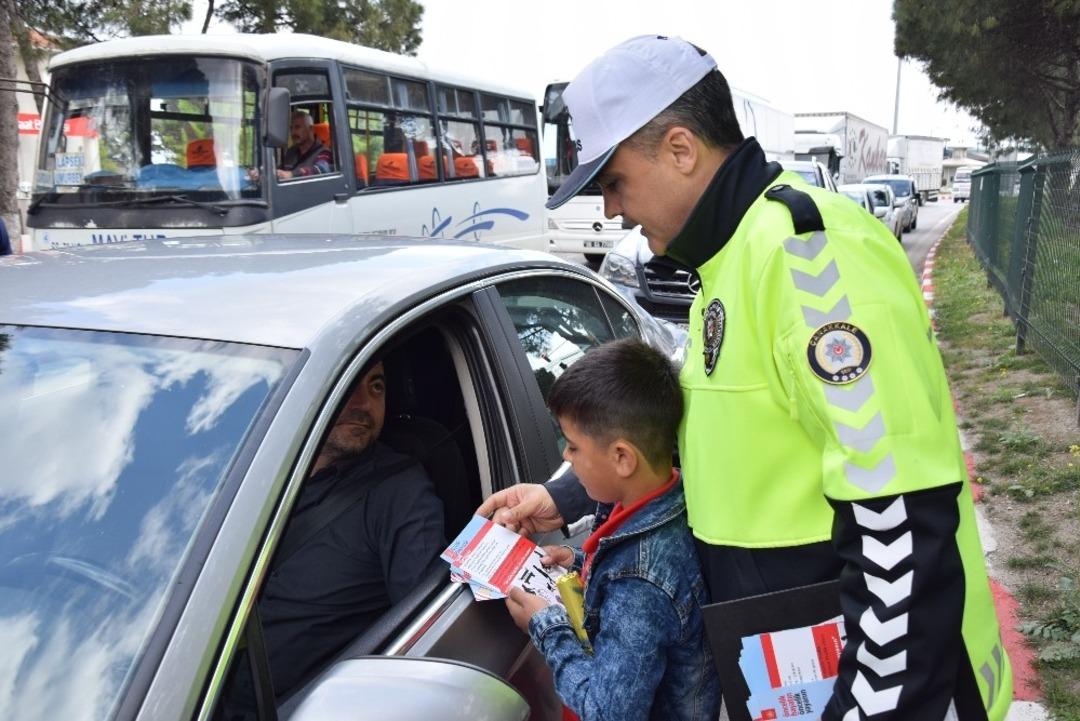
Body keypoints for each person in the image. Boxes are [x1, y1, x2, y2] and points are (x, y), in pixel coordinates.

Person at [481, 35, 1010, 721]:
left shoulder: (810, 260)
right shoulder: (727, 266)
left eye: (614, 182)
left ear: (680, 148)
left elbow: (902, 532)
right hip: (797, 677)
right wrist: (570, 494)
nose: (612, 210)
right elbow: (720, 438)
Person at [504, 338, 720, 721]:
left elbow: (608, 713)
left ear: (622, 458)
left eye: (572, 447)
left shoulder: (640, 582)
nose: (565, 457)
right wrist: (580, 559)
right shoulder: (670, 498)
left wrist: (547, 628)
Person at [257, 358, 445, 700]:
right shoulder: (247, 474)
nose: (364, 405)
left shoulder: (399, 491)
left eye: (376, 386)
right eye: (347, 385)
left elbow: (432, 631)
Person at [276, 111, 332, 180]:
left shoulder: (324, 153)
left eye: (297, 127)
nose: (293, 132)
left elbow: (322, 169)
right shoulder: (291, 152)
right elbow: (281, 170)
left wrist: (292, 174)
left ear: (311, 129)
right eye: (291, 128)